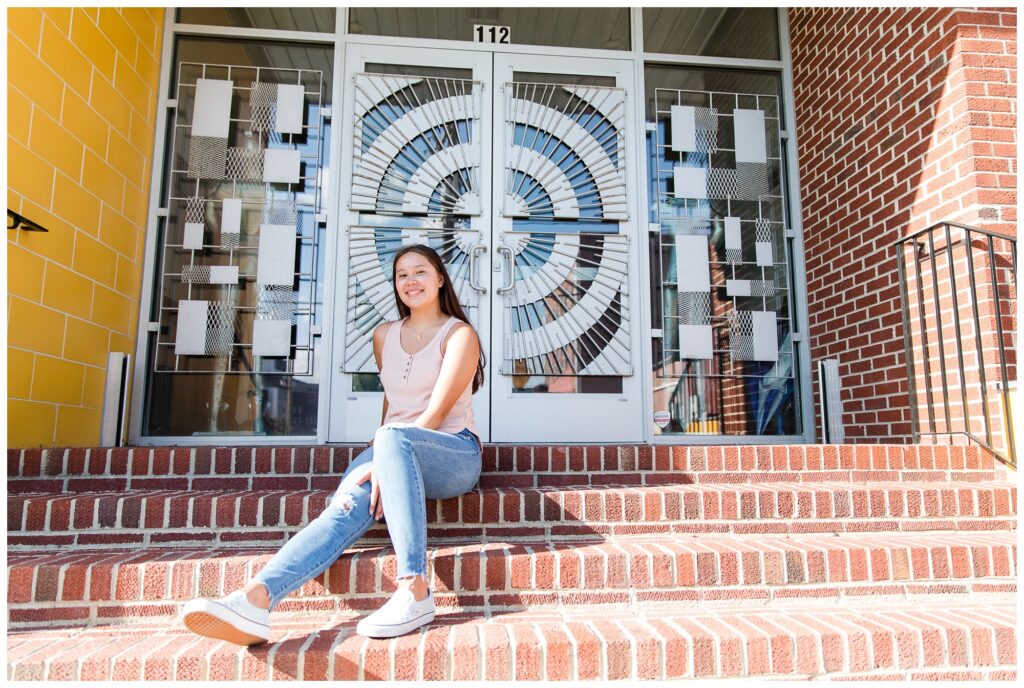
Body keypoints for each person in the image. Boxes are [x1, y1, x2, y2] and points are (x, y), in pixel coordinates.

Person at [180, 244, 485, 643]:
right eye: (402, 275)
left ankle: (414, 590)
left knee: (390, 439)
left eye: (420, 272)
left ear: (440, 278)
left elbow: (434, 414)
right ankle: (255, 600)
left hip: (453, 451)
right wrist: (382, 460)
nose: (411, 281)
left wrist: (387, 453)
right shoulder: (384, 336)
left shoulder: (459, 334)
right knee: (343, 507)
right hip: (395, 447)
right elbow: (392, 407)